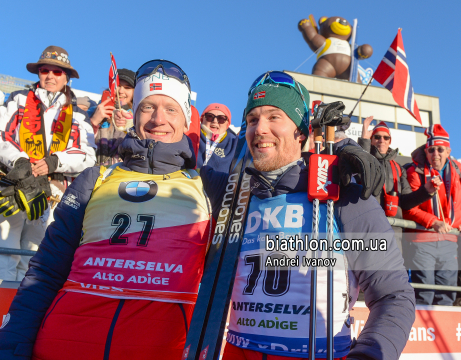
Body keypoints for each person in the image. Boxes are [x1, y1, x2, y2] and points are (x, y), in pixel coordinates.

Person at [0, 64, 386, 360]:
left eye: (170, 108)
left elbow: (390, 291)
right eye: (147, 107)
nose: (157, 119)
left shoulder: (210, 184)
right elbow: (45, 273)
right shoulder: (96, 176)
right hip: (64, 343)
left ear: (188, 120)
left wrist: (348, 151)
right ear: (133, 114)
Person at [222, 71, 415, 359]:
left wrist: (369, 355)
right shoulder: (233, 195)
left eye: (275, 117)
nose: (260, 128)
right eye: (252, 119)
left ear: (301, 132)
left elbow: (393, 296)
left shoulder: (344, 196)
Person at [0, 45, 96, 281]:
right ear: (38, 73)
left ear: (67, 77)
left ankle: (19, 315)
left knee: (35, 262)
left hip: (52, 195)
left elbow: (88, 157)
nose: (50, 76)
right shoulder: (18, 99)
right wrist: (19, 161)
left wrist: (55, 161)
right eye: (45, 70)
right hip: (13, 188)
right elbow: (1, 135)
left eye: (57, 72)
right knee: (4, 256)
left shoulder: (78, 115)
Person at [403, 124, 461, 306]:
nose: (436, 154)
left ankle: (441, 334)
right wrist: (433, 221)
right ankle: (423, 333)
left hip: (449, 239)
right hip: (422, 240)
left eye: (440, 149)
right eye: (431, 150)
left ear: (448, 151)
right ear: (426, 152)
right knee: (424, 292)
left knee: (447, 292)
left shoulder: (459, 170)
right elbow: (409, 208)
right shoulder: (415, 171)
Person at [358, 117, 441, 253]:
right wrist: (364, 142)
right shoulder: (367, 161)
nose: (381, 141)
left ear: (390, 141)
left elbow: (407, 202)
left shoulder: (398, 168)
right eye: (377, 137)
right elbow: (360, 173)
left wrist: (426, 191)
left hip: (394, 233)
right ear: (372, 140)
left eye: (385, 138)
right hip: (368, 230)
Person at [90, 68, 135, 165]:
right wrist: (94, 121)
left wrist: (129, 125)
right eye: (118, 86)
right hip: (90, 173)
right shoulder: (93, 111)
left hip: (119, 175)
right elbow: (78, 142)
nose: (121, 91)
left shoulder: (137, 118)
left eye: (127, 87)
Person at [196, 103, 237, 173]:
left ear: (228, 124)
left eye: (221, 119)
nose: (215, 121)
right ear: (202, 119)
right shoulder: (193, 134)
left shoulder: (235, 143)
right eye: (210, 117)